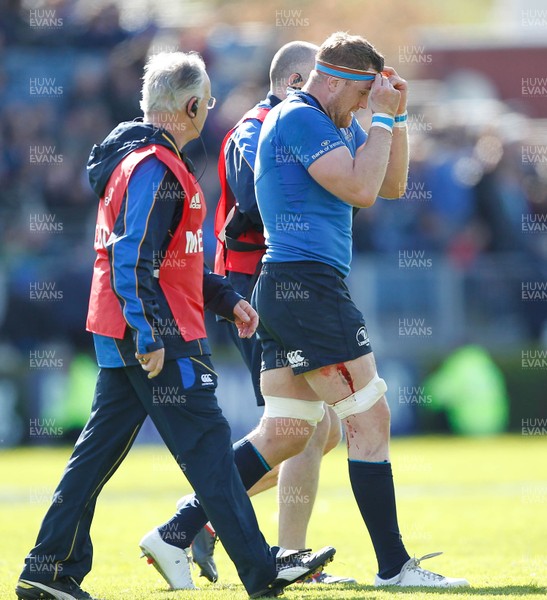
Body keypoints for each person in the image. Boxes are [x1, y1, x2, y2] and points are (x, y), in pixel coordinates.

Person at [138, 34, 470, 589]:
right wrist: (381, 121)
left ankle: (177, 529)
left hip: (286, 285)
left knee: (288, 430)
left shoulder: (330, 118)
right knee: (371, 418)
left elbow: (391, 182)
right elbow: (363, 190)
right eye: (363, 93)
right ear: (334, 78)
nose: (366, 105)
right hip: (307, 285)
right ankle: (394, 567)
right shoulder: (299, 117)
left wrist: (399, 116)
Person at [15, 51, 334, 600]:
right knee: (210, 449)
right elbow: (131, 256)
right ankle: (261, 571)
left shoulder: (140, 160)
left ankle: (46, 571)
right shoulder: (155, 168)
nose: (209, 110)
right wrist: (149, 333)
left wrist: (223, 297)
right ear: (189, 105)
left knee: (94, 459)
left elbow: (169, 259)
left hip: (129, 327)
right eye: (206, 102)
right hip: (155, 336)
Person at [191, 40, 354, 586]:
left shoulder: (288, 123)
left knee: (317, 428)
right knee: (302, 426)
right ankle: (252, 540)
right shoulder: (258, 127)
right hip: (258, 284)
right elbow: (253, 202)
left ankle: (203, 519)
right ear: (297, 81)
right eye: (327, 80)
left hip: (282, 282)